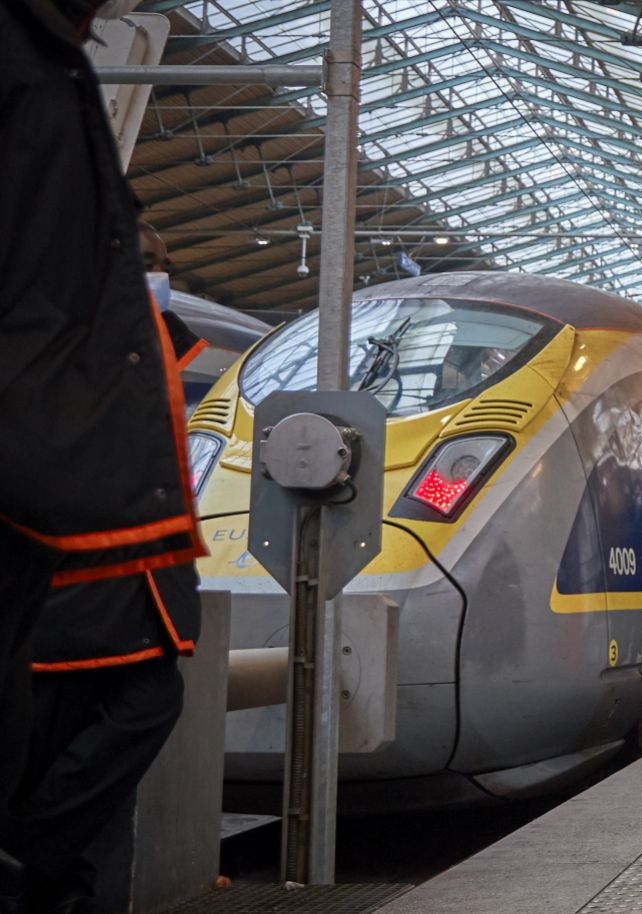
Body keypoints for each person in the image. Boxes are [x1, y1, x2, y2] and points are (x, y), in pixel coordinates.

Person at [2, 3, 206, 911]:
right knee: (98, 760)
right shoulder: (28, 74)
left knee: (86, 835)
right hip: (83, 581)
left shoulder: (53, 73)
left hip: (100, 580)